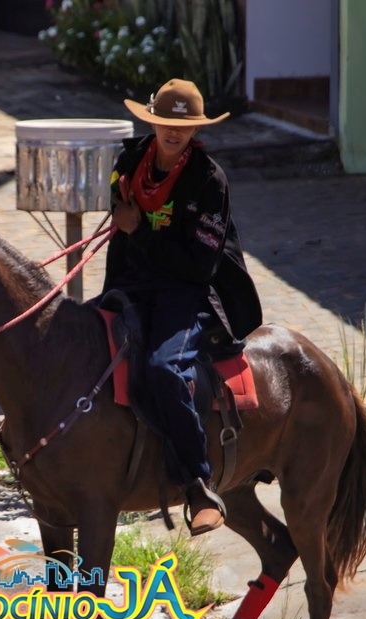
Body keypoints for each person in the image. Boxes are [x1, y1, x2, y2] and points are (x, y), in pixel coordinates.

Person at [102, 78, 263, 536]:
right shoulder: (129, 162)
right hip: (131, 284)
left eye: (185, 125)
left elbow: (198, 265)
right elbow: (119, 216)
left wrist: (138, 230)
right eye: (166, 123)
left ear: (196, 130)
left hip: (186, 291)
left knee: (161, 369)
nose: (174, 132)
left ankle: (198, 483)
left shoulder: (209, 181)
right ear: (152, 122)